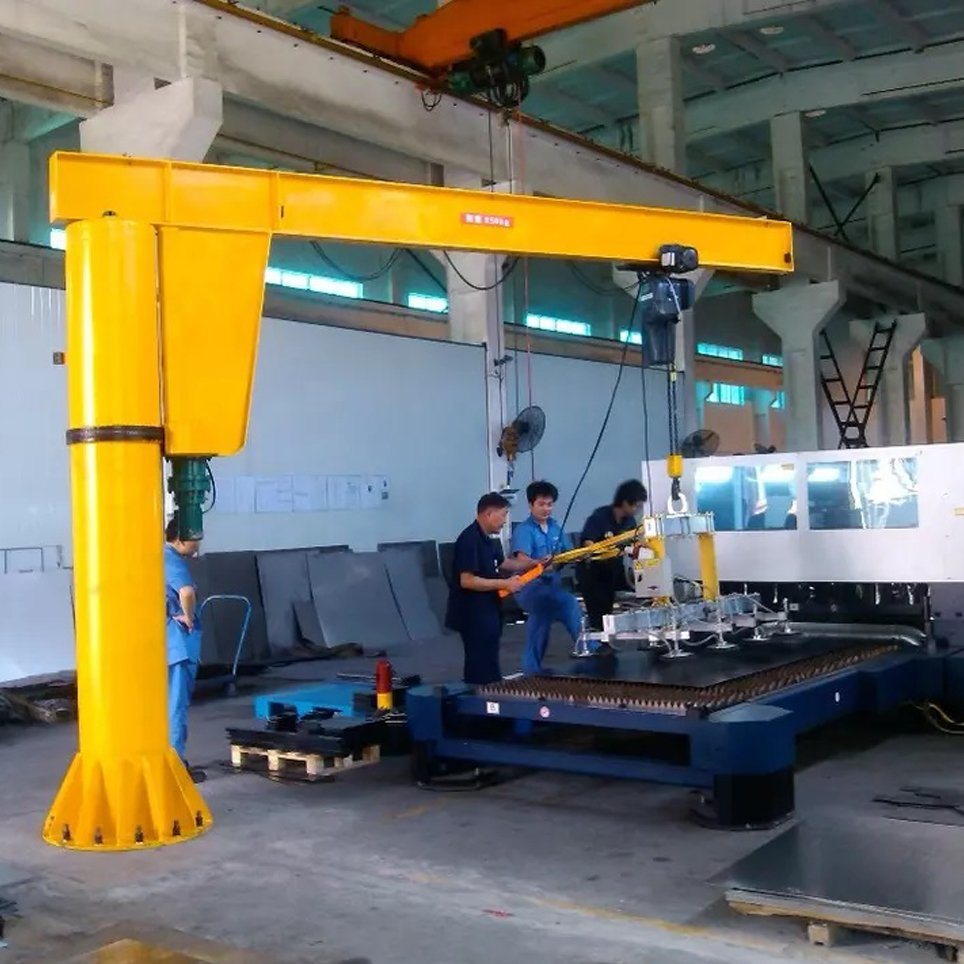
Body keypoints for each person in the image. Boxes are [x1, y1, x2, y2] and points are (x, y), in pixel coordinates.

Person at [445, 493, 530, 685]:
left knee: (491, 660)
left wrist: (533, 564)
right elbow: (467, 580)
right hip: (472, 613)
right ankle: (478, 701)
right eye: (503, 515)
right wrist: (505, 584)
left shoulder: (489, 540)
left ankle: (493, 695)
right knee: (479, 664)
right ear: (489, 514)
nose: (505, 521)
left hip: (490, 609)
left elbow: (504, 564)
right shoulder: (469, 540)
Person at [511, 480, 583, 674]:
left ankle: (531, 669)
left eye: (549, 504)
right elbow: (521, 561)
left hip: (552, 585)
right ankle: (586, 648)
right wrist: (540, 563)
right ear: (530, 505)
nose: (546, 509)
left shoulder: (556, 529)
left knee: (541, 618)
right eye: (541, 504)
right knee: (567, 603)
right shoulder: (524, 531)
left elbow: (569, 554)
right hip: (529, 587)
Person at [164, 514, 204, 780]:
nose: (198, 544)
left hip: (166, 642)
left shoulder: (157, 557)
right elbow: (186, 592)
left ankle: (170, 761)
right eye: (194, 539)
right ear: (178, 540)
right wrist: (188, 617)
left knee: (168, 705)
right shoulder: (171, 560)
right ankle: (175, 767)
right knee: (176, 706)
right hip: (178, 643)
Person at [577, 479, 647, 630]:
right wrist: (605, 551)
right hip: (593, 573)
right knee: (599, 613)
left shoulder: (629, 522)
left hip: (613, 570)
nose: (637, 510)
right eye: (636, 505)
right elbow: (588, 544)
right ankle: (599, 644)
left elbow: (633, 544)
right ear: (625, 502)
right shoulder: (600, 517)